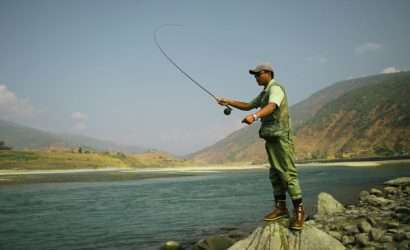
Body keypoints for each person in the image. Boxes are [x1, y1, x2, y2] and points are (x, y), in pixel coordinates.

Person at [217, 63, 304, 230]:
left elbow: (272, 106)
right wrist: (227, 100)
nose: (256, 78)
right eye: (255, 75)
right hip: (271, 137)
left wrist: (255, 116)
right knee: (275, 174)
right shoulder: (264, 92)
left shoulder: (276, 88)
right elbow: (248, 105)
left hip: (281, 137)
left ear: (269, 73)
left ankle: (299, 211)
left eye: (259, 74)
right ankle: (281, 208)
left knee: (288, 173)